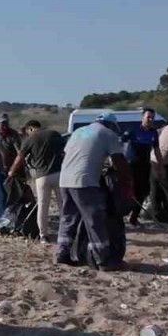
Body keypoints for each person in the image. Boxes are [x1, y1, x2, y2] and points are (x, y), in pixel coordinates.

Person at [56, 112, 133, 270]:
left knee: (68, 218)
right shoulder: (108, 134)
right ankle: (103, 260)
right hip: (85, 182)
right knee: (94, 220)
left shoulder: (79, 132)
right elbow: (119, 162)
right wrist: (127, 183)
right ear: (111, 125)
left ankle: (62, 253)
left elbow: (70, 154)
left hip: (65, 180)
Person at [8, 121, 65, 244]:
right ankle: (65, 233)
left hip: (42, 176)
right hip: (59, 174)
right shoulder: (54, 134)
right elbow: (64, 150)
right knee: (62, 204)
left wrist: (12, 171)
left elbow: (20, 158)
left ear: (30, 129)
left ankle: (43, 235)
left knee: (43, 205)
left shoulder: (30, 139)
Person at [124, 108, 160, 226]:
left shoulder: (153, 132)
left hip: (145, 165)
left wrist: (160, 164)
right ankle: (123, 214)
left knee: (143, 191)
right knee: (129, 190)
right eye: (148, 117)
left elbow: (156, 149)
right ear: (142, 117)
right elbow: (120, 143)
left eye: (152, 118)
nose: (150, 119)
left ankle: (134, 217)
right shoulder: (133, 129)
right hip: (131, 165)